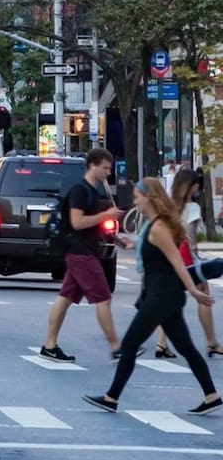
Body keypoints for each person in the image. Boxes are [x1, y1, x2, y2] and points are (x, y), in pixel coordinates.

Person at [83, 177, 220, 415]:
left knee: (129, 343)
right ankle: (212, 396)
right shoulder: (155, 225)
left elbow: (177, 261)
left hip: (163, 295)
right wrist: (131, 246)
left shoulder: (159, 227)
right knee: (186, 347)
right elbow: (158, 256)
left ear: (150, 198)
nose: (135, 202)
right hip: (164, 294)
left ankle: (111, 397)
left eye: (138, 197)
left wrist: (196, 290)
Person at [40, 148, 126, 363]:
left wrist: (115, 239)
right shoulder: (80, 190)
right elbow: (77, 223)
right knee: (103, 299)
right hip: (81, 254)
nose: (108, 173)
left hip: (81, 251)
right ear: (93, 166)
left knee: (65, 298)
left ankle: (49, 345)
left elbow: (90, 226)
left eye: (109, 168)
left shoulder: (91, 191)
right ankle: (116, 348)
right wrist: (105, 215)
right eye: (105, 168)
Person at [156, 169, 223, 358]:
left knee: (164, 300)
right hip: (185, 259)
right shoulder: (192, 207)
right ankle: (211, 342)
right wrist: (197, 257)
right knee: (204, 293)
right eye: (195, 185)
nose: (197, 189)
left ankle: (161, 343)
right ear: (189, 186)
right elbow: (191, 239)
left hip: (166, 257)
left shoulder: (166, 205)